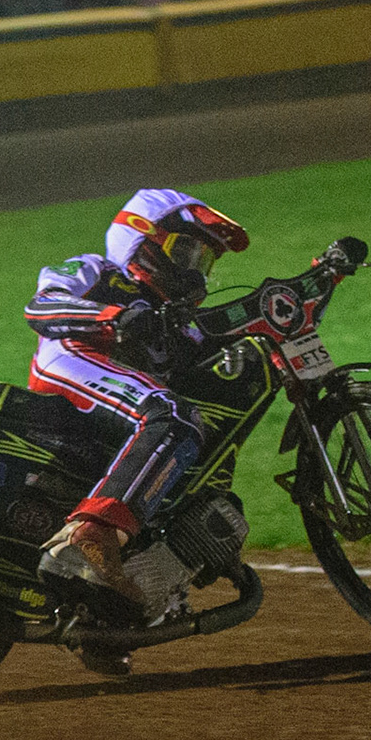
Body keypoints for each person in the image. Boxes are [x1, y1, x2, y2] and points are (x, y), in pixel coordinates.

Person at [25, 188, 249, 612]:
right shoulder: (96, 270)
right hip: (72, 356)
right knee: (174, 416)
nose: (194, 269)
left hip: (119, 403)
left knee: (193, 457)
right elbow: (41, 306)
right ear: (141, 240)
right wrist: (116, 317)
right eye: (184, 251)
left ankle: (106, 622)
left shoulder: (177, 320)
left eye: (203, 259)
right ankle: (93, 533)